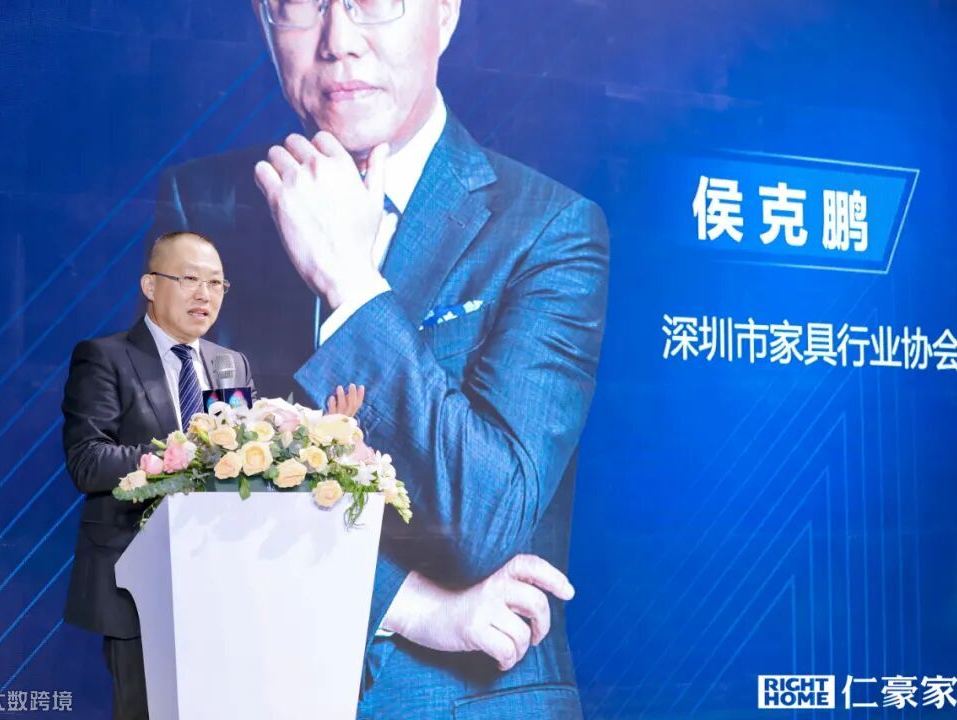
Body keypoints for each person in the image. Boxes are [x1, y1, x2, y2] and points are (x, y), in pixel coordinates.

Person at [154, 0, 610, 715]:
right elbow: (177, 494)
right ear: (265, 24)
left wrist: (350, 284)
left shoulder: (549, 229)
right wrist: (410, 604)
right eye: (299, 7)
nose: (339, 40)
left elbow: (487, 520)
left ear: (446, 15)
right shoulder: (206, 207)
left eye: (373, 2)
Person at [61, 232, 253, 719]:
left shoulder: (230, 366)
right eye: (190, 279)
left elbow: (240, 468)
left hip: (218, 579)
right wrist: (181, 456)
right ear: (150, 285)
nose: (205, 294)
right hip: (137, 579)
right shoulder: (105, 357)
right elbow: (88, 461)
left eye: (216, 283)